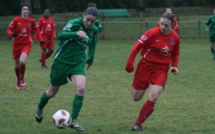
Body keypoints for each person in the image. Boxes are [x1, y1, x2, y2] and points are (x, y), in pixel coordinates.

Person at [35, 6, 100, 132]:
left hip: (78, 63)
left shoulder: (93, 30)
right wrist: (76, 34)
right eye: (87, 20)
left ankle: (73, 120)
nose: (89, 23)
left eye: (92, 21)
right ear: (83, 15)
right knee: (51, 92)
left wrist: (91, 58)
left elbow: (92, 46)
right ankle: (39, 109)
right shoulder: (74, 23)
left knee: (81, 88)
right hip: (62, 62)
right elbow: (60, 35)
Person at [125, 12, 180, 131]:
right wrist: (130, 62)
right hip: (145, 66)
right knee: (136, 97)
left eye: (166, 25)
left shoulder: (175, 37)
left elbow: (176, 52)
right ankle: (138, 88)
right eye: (161, 24)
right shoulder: (151, 33)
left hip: (161, 69)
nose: (163, 27)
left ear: (172, 25)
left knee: (153, 96)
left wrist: (174, 66)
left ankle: (138, 124)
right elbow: (136, 47)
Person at [6, 4, 44, 90]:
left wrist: (41, 39)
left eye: (27, 9)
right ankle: (18, 80)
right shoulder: (16, 20)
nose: (25, 11)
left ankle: (22, 78)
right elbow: (8, 30)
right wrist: (12, 34)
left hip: (26, 44)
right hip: (16, 44)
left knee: (22, 61)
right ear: (21, 11)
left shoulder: (31, 21)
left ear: (29, 11)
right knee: (16, 64)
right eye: (24, 9)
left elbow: (36, 30)